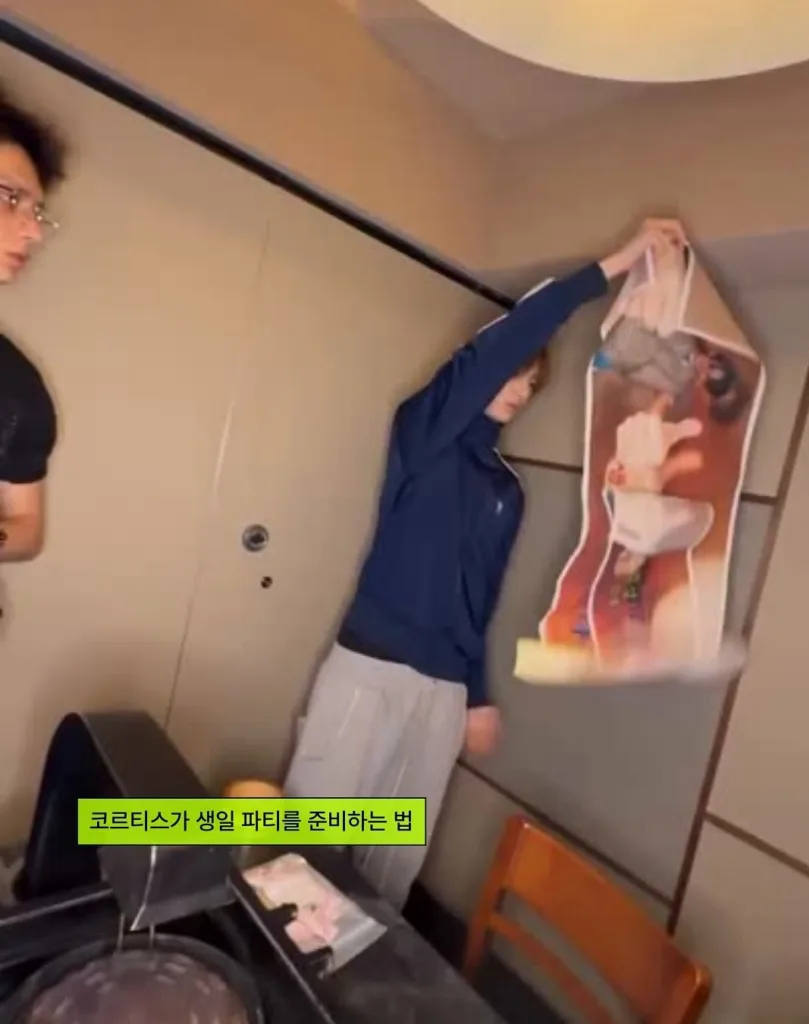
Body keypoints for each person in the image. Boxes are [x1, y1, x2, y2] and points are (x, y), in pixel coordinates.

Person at [285, 217, 687, 909]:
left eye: (530, 381)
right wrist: (620, 261)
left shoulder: (508, 489)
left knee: (391, 864)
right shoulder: (422, 434)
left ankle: (354, 970)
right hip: (370, 670)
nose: (519, 388)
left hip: (442, 695)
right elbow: (506, 339)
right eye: (512, 370)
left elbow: (481, 602)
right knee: (307, 846)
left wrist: (474, 695)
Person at [0, 85, 66, 561]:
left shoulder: (18, 385)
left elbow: (26, 528)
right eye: (10, 198)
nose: (35, 231)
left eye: (37, 211)